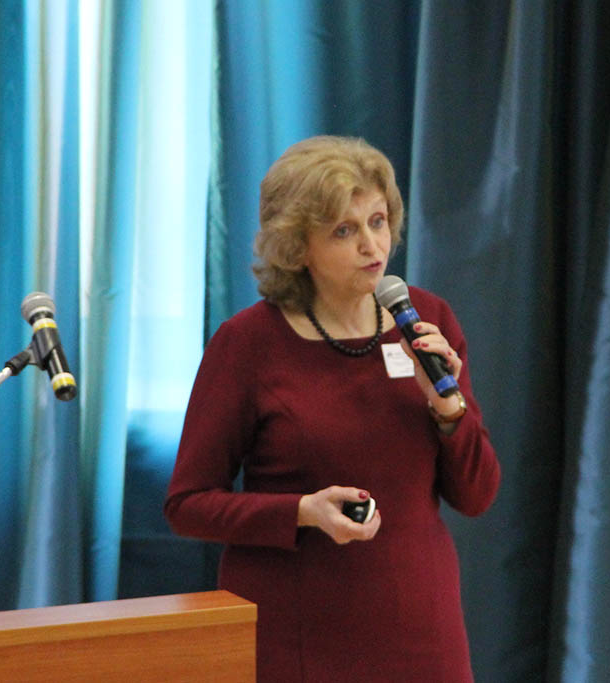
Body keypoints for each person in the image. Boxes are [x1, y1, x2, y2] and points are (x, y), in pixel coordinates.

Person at [164, 135, 501, 682]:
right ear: (298, 247)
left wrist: (448, 409)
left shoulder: (427, 320)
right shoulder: (247, 344)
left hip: (422, 628)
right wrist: (301, 511)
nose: (372, 245)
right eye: (344, 231)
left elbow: (477, 495)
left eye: (377, 221)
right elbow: (188, 505)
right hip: (297, 632)